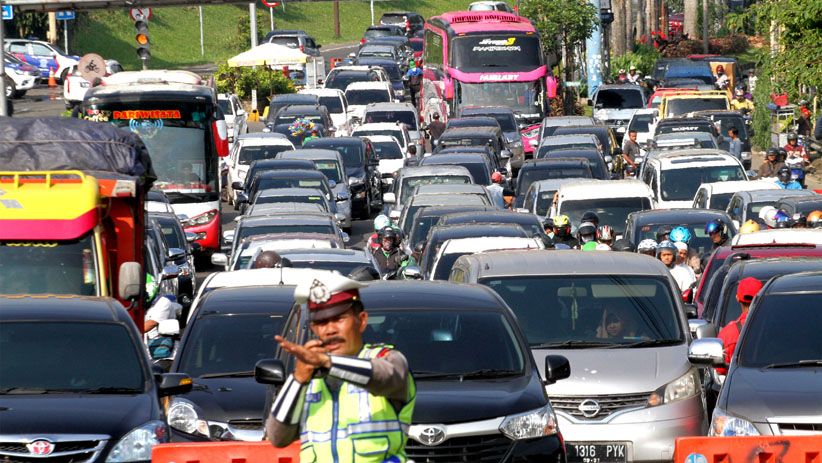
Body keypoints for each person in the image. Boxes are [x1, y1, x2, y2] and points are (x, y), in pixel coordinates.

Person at [266, 273, 416, 461]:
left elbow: (385, 377)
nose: (330, 330)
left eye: (339, 319)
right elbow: (278, 437)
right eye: (321, 323)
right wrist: (298, 380)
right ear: (313, 329)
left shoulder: (387, 358)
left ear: (361, 321)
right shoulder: (308, 374)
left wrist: (327, 363)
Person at [716, 277, 763, 374]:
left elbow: (720, 372)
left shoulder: (727, 334)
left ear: (737, 298)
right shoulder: (775, 330)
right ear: (761, 298)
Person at [144, 291, 183, 360]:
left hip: (164, 352)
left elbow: (152, 323)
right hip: (147, 349)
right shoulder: (141, 305)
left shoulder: (163, 302)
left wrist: (131, 332)